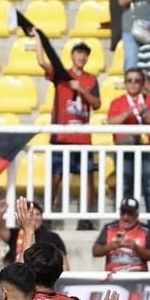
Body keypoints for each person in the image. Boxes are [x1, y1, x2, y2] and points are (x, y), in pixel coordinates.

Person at [35, 38, 100, 230]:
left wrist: (81, 90)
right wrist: (38, 40)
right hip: (62, 137)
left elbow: (96, 104)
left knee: (88, 176)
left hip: (82, 137)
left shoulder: (90, 79)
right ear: (72, 55)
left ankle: (85, 217)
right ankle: (46, 215)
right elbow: (42, 62)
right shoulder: (62, 75)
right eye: (78, 53)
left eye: (84, 53)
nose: (81, 56)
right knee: (56, 176)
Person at [106, 67, 150, 212]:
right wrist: (128, 112)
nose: (133, 84)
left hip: (146, 146)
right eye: (129, 80)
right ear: (125, 83)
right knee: (124, 184)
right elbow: (111, 122)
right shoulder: (117, 102)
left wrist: (144, 112)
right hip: (124, 146)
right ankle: (122, 221)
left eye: (137, 81)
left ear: (142, 83)